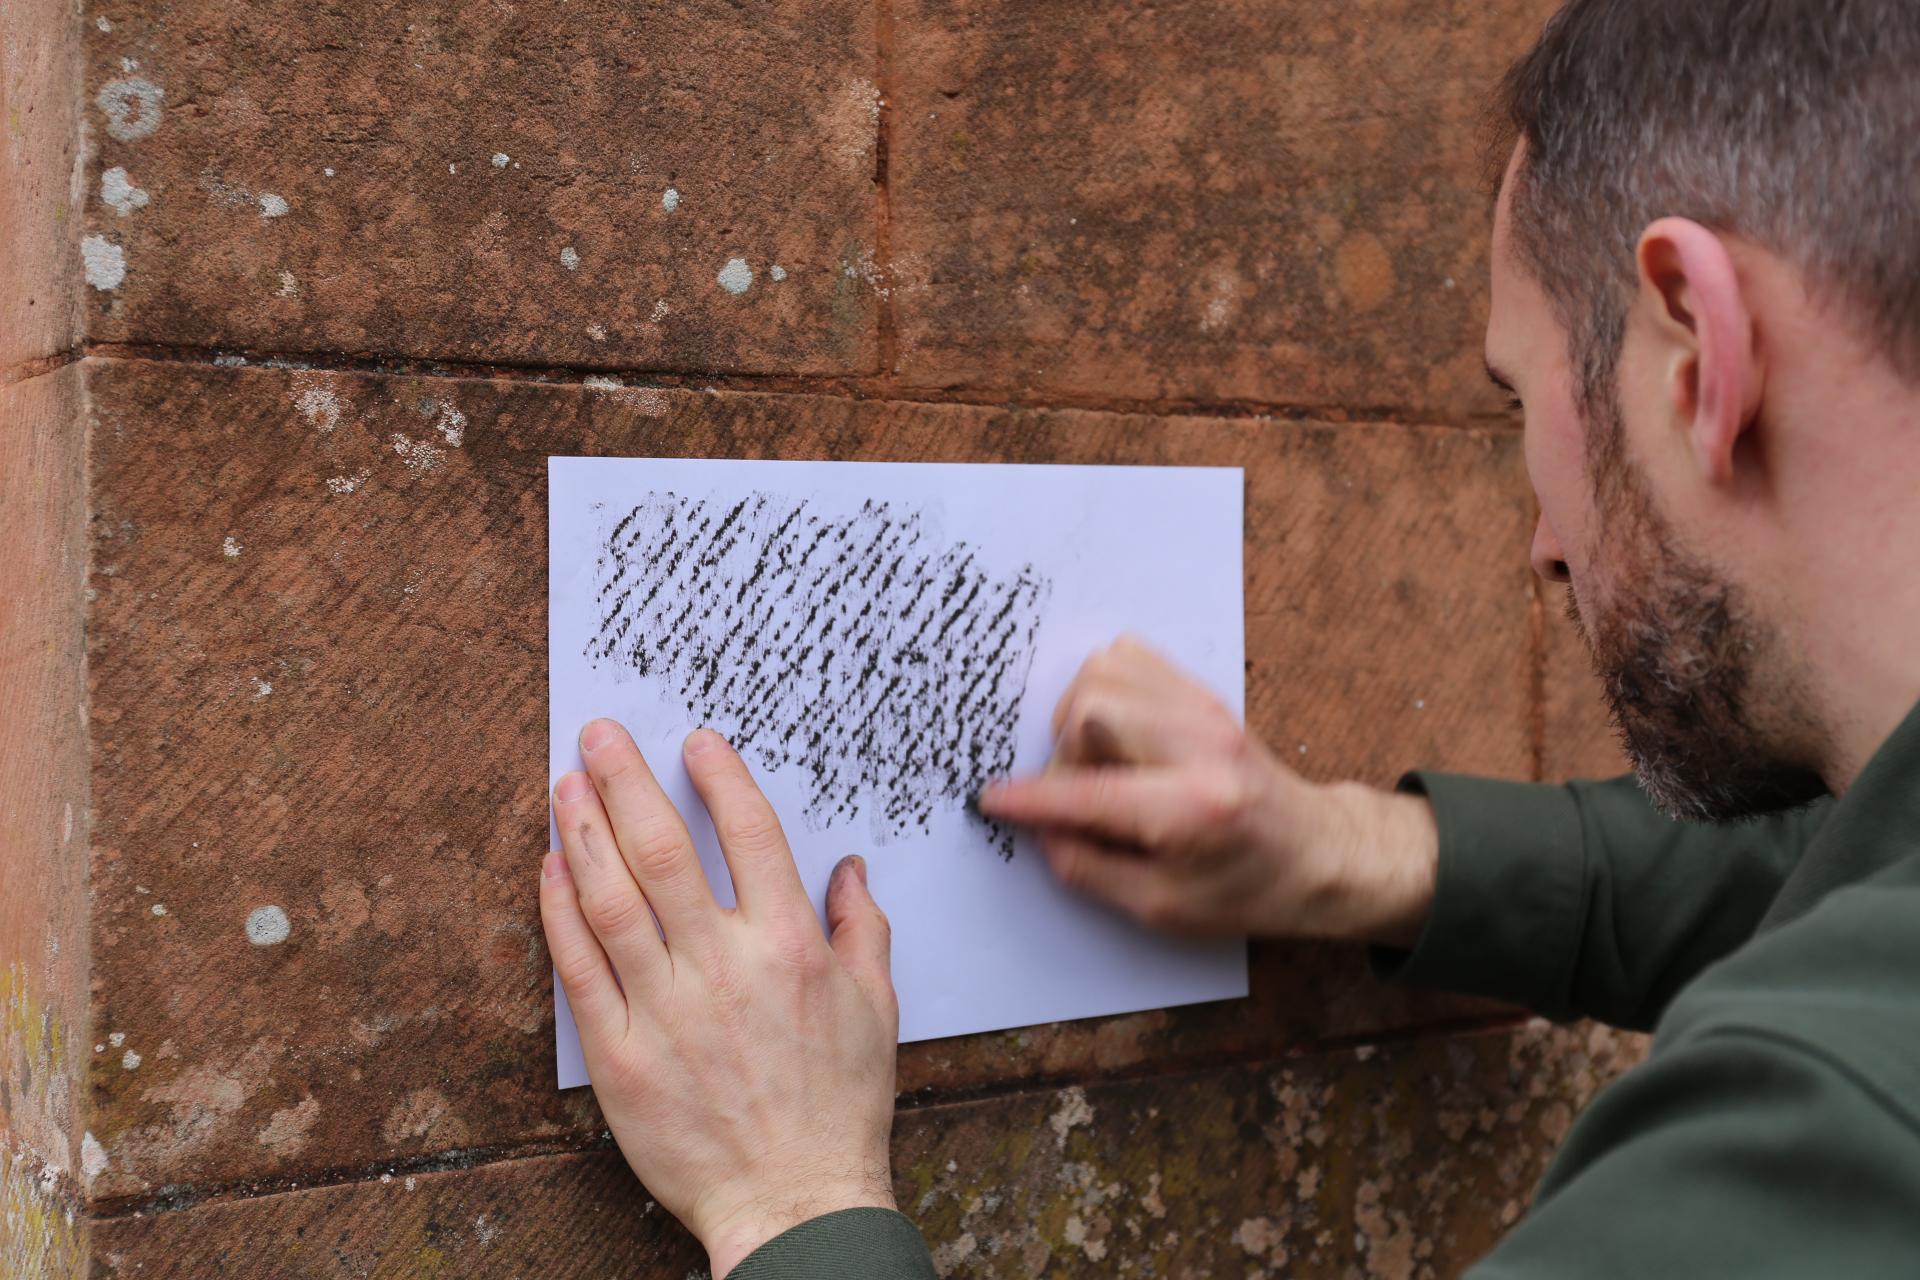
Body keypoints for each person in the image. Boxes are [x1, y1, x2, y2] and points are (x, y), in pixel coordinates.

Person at [538, 0, 1920, 1274]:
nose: (1544, 542)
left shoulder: (1816, 1142)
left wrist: (793, 1202)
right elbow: (1826, 870)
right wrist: (1344, 853)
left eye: (1523, 402)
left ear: (1700, 348)